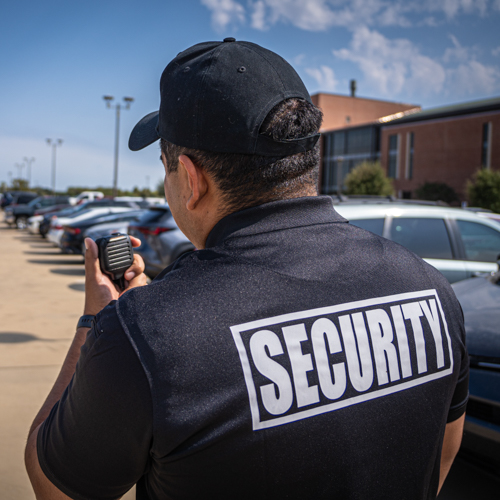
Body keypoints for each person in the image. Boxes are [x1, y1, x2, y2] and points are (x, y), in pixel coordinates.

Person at [25, 39, 468, 500]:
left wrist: (96, 322)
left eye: (165, 167)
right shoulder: (431, 289)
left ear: (191, 179)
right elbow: (443, 455)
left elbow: (52, 485)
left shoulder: (144, 334)